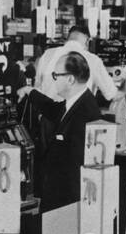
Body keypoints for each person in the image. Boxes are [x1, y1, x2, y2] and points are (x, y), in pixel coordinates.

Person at [27, 51, 103, 213]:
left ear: (70, 79)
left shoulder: (85, 113)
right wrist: (30, 93)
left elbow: (75, 170)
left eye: (56, 75)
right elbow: (55, 110)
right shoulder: (77, 102)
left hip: (66, 204)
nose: (53, 80)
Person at [32, 22, 120, 106]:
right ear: (87, 42)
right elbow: (111, 94)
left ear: (68, 39)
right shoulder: (93, 60)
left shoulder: (47, 55)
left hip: (47, 117)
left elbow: (37, 88)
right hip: (78, 118)